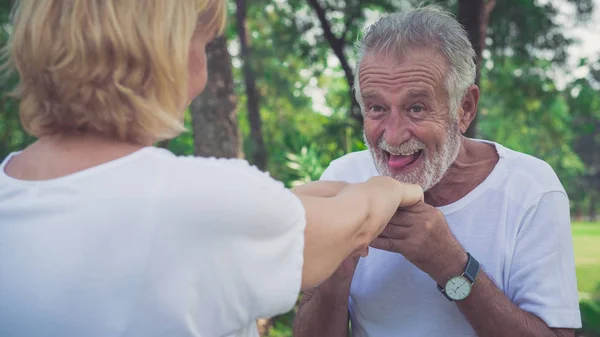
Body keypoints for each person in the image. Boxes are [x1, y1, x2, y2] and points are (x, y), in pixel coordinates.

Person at [0, 1, 424, 337]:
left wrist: (311, 198)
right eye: (202, 44)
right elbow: (360, 219)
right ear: (164, 52)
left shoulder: (13, 189)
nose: (201, 72)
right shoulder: (193, 200)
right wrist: (394, 189)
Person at [293, 6, 581, 337]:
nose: (393, 135)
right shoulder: (343, 179)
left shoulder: (531, 189)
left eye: (416, 108)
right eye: (376, 108)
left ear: (465, 108)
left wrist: (451, 265)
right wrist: (336, 275)